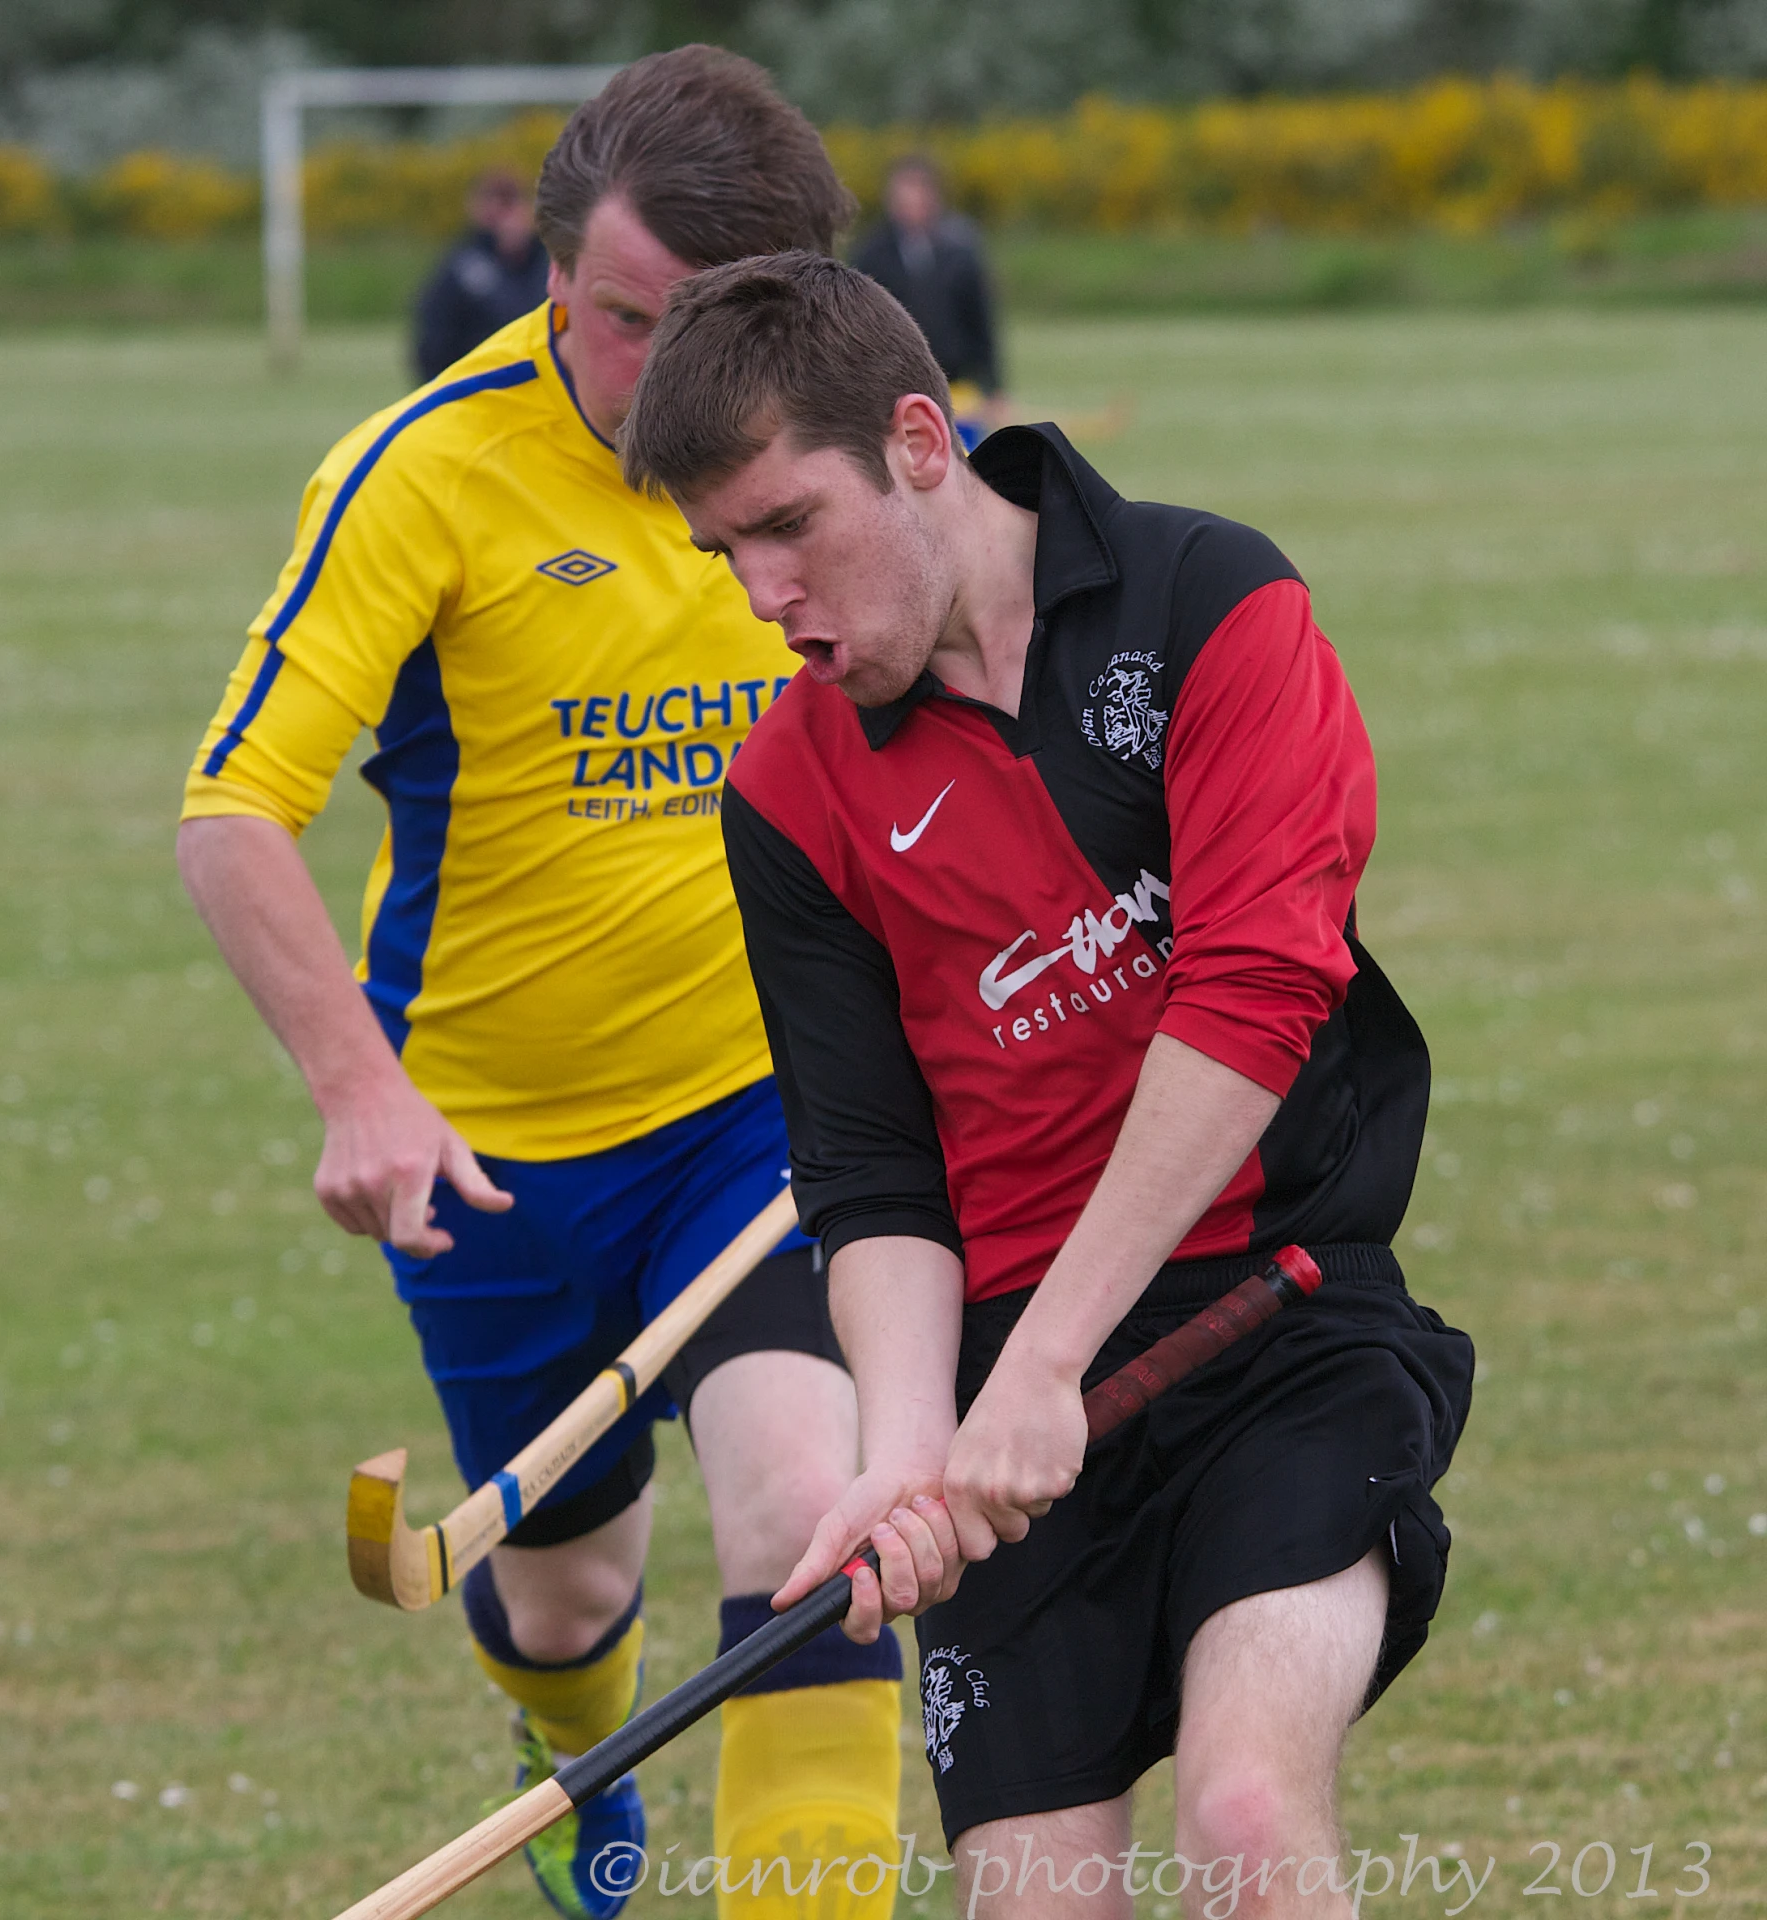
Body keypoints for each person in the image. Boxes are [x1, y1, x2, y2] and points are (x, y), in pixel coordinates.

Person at [621, 251, 1475, 1917]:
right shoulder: (790, 788)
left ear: (923, 442)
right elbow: (870, 1170)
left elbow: (1254, 993)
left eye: (788, 525)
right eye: (724, 552)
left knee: (1243, 1812)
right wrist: (904, 1444)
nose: (762, 596)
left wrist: (1053, 1365)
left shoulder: (1211, 603)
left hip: (1277, 1319)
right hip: (1006, 1386)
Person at [178, 59, 905, 1920]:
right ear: (552, 273)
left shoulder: (840, 452)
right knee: (569, 1586)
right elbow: (235, 813)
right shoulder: (426, 474)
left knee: (810, 1516)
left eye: (700, 337)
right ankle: (554, 1725)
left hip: (767, 1114)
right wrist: (361, 1089)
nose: (646, 377)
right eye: (614, 322)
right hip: (489, 1154)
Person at [851, 156, 1003, 448]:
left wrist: (993, 386)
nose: (911, 201)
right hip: (895, 390)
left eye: (919, 190)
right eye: (903, 192)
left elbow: (980, 322)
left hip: (958, 389)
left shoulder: (961, 250)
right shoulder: (871, 255)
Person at [411, 168, 550, 384]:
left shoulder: (548, 261)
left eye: (510, 204)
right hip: (475, 387)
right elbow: (433, 344)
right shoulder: (460, 266)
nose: (506, 218)